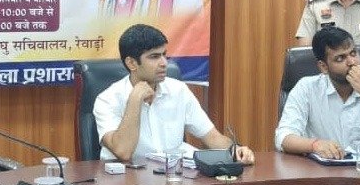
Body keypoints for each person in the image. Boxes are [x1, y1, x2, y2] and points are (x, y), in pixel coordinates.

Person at [94, 24, 255, 163]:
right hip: (127, 181)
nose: (164, 63)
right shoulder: (107, 99)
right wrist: (135, 100)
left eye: (164, 55)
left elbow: (212, 138)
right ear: (132, 63)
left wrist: (236, 151)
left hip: (173, 177)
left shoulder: (178, 90)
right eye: (154, 57)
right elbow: (123, 152)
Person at [275, 26, 360, 158]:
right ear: (324, 67)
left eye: (353, 53)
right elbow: (283, 138)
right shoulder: (306, 88)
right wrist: (315, 145)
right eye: (340, 58)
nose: (352, 62)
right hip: (320, 169)